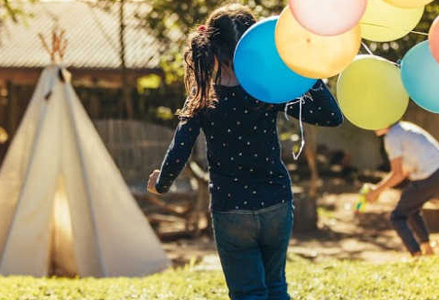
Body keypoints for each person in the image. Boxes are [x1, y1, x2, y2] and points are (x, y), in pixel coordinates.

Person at [146, 5, 342, 299]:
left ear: (212, 46)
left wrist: (161, 184)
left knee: (248, 293)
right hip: (276, 201)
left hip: (231, 208)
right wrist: (306, 68)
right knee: (276, 287)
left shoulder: (203, 95)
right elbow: (331, 115)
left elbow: (180, 149)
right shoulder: (267, 88)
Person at [366, 121, 439, 257]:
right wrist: (378, 189)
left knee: (397, 216)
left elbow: (398, 174)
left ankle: (416, 254)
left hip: (431, 174)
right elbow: (405, 171)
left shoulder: (392, 137)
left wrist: (376, 192)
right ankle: (428, 249)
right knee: (411, 208)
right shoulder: (404, 128)